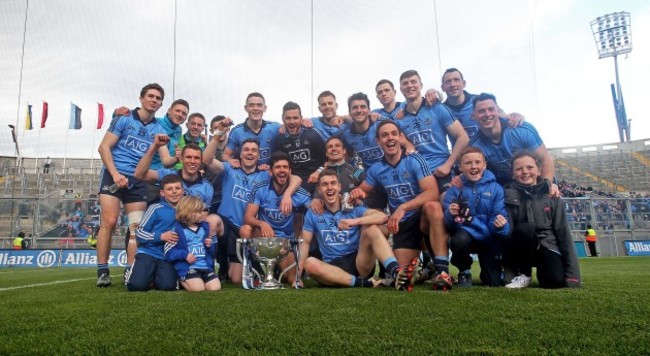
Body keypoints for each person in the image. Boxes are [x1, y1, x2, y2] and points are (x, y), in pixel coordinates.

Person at [350, 120, 453, 291]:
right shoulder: (376, 169)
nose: (390, 138)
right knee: (404, 273)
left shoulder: (414, 160)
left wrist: (403, 207)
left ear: (400, 137)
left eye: (393, 134)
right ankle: (427, 271)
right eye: (384, 135)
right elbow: (362, 191)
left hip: (421, 218)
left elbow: (432, 192)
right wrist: (356, 194)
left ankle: (443, 272)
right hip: (402, 225)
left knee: (433, 207)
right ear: (378, 141)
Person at [95, 83, 177, 288]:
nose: (154, 101)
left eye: (158, 98)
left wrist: (178, 157)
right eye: (151, 96)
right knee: (110, 221)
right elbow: (104, 147)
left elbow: (166, 160)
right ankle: (102, 270)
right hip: (112, 176)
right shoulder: (123, 119)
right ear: (141, 98)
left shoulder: (159, 129)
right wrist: (114, 174)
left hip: (136, 181)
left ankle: (130, 270)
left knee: (135, 228)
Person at [202, 138, 302, 284]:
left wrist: (287, 194)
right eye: (246, 150)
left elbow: (296, 179)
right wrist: (217, 135)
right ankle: (208, 269)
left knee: (236, 279)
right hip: (227, 224)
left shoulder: (264, 174)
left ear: (258, 155)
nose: (250, 153)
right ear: (240, 154)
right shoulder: (230, 169)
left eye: (254, 150)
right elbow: (206, 159)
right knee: (211, 220)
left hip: (248, 227)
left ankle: (254, 268)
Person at [301, 170, 420, 291]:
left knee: (371, 228)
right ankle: (366, 283)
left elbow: (383, 217)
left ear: (339, 187)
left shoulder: (352, 205)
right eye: (325, 184)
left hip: (359, 262)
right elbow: (305, 243)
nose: (330, 187)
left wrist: (355, 221)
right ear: (319, 189)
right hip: (332, 266)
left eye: (333, 183)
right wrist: (297, 276)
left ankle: (396, 272)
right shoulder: (314, 212)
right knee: (310, 263)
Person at [503, 152, 581, 289]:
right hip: (519, 246)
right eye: (519, 169)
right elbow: (507, 235)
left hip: (547, 244)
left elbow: (564, 235)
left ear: (539, 171)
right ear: (512, 174)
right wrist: (508, 271)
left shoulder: (552, 195)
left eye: (529, 167)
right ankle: (524, 274)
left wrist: (573, 276)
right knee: (525, 229)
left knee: (554, 282)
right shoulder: (506, 195)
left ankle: (546, 270)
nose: (525, 172)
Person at [240, 152, 312, 286]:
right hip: (266, 238)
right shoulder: (260, 188)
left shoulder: (300, 193)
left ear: (290, 171)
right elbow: (248, 217)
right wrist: (261, 223)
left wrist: (318, 200)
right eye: (278, 167)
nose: (282, 170)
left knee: (292, 279)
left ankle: (278, 271)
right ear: (270, 171)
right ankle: (254, 272)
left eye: (285, 167)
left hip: (287, 242)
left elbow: (314, 211)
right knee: (245, 229)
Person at [442, 147, 510, 287]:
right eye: (468, 163)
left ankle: (491, 270)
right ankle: (464, 271)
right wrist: (450, 214)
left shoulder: (496, 188)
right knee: (458, 239)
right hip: (465, 236)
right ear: (460, 167)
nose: (473, 166)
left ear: (484, 165)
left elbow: (497, 220)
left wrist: (501, 226)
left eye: (477, 162)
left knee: (494, 282)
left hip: (488, 238)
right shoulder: (453, 190)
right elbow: (449, 226)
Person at [134, 140, 223, 245]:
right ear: (181, 159)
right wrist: (154, 147)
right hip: (165, 231)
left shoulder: (207, 187)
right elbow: (139, 174)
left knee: (213, 220)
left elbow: (202, 217)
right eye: (188, 157)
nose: (192, 161)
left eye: (196, 158)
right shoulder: (169, 175)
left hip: (188, 235)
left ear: (201, 161)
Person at [395, 70, 469, 192]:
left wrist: (448, 164)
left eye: (413, 82)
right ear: (401, 89)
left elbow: (463, 137)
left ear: (421, 85)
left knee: (448, 204)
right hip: (417, 174)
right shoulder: (399, 118)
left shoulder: (437, 108)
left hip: (440, 170)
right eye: (405, 83)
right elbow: (399, 141)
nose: (409, 85)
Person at [470, 93, 557, 196]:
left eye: (491, 109)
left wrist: (546, 188)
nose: (487, 114)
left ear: (498, 111)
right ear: (473, 116)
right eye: (481, 111)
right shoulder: (475, 146)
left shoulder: (521, 130)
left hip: (533, 181)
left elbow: (545, 160)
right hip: (505, 188)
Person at [127, 175, 184, 292]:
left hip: (168, 256)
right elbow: (140, 233)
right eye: (169, 189)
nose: (174, 192)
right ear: (162, 193)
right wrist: (161, 236)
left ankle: (155, 277)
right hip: (149, 252)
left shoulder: (187, 210)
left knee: (167, 287)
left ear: (183, 191)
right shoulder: (155, 208)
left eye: (177, 188)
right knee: (137, 286)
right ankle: (135, 272)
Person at [438, 68, 524, 142]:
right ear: (442, 87)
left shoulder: (481, 102)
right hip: (462, 158)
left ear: (464, 83)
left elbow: (505, 118)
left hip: (487, 153)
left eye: (456, 80)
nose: (453, 84)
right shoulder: (441, 110)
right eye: (448, 81)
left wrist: (516, 116)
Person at [165, 196, 221, 292]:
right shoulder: (176, 230)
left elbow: (212, 253)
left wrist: (210, 245)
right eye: (199, 212)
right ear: (189, 213)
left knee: (215, 288)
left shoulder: (205, 228)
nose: (202, 214)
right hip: (188, 268)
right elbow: (169, 253)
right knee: (198, 289)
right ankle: (182, 279)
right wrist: (185, 255)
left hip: (205, 267)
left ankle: (200, 279)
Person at [274, 101, 326, 193]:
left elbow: (329, 159)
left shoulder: (313, 134)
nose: (292, 122)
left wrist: (318, 172)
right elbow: (276, 164)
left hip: (316, 179)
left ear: (301, 118)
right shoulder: (280, 139)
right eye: (288, 118)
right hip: (293, 183)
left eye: (295, 118)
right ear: (282, 119)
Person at [222, 92, 280, 166]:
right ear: (246, 108)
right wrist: (231, 161)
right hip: (246, 174)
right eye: (251, 105)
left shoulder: (275, 128)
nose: (255, 108)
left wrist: (285, 126)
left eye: (259, 105)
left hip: (269, 173)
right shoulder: (236, 131)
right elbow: (225, 156)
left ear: (264, 108)